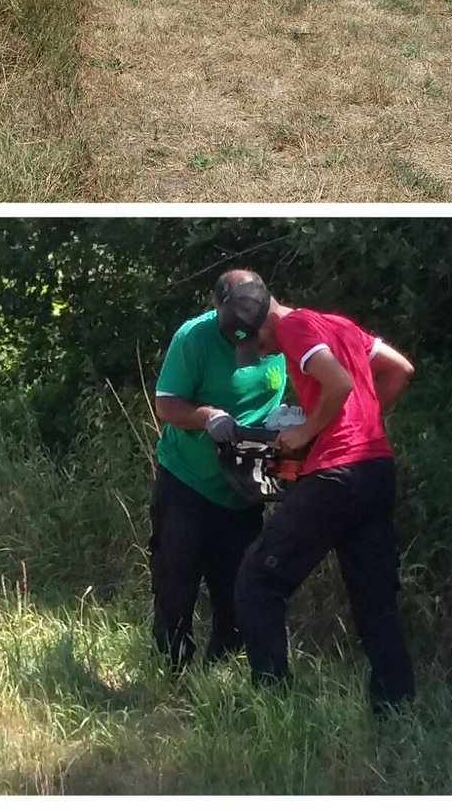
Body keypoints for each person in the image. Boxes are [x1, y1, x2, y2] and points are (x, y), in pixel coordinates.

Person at [224, 269, 417, 712]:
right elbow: (400, 371)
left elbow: (340, 383)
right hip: (375, 468)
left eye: (259, 344)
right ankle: (396, 711)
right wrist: (354, 421)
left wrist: (309, 430)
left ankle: (273, 708)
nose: (264, 353)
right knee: (376, 600)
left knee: (257, 580)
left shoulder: (292, 327)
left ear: (265, 321)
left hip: (337, 476)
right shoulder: (339, 325)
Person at [151, 270, 287, 670]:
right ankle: (173, 670)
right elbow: (166, 403)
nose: (245, 344)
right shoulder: (193, 338)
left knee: (238, 588)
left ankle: (218, 672)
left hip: (244, 488)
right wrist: (207, 416)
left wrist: (289, 422)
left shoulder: (282, 334)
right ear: (217, 308)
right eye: (234, 338)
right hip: (187, 484)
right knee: (177, 582)